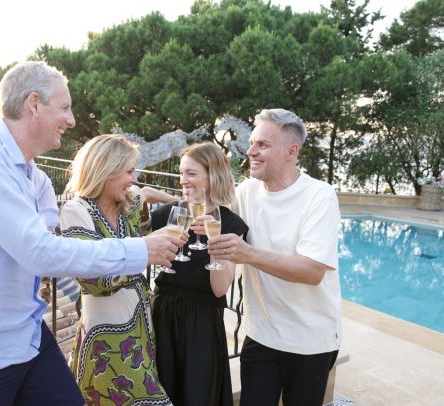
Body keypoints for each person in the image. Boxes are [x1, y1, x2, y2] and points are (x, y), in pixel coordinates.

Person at [0, 61, 182, 406]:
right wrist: (141, 249)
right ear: (34, 104)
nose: (72, 120)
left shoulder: (36, 179)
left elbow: (50, 243)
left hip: (25, 338)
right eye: (65, 108)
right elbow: (39, 251)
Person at [207, 108, 342, 406]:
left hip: (310, 342)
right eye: (252, 143)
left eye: (263, 145)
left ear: (292, 151)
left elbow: (312, 271)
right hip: (261, 335)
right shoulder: (246, 191)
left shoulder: (319, 196)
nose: (251, 152)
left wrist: (247, 253)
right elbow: (210, 209)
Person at [60, 134, 177, 405]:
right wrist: (146, 249)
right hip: (106, 344)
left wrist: (178, 202)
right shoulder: (76, 211)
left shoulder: (126, 203)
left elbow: (145, 192)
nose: (133, 179)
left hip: (140, 335)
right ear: (106, 170)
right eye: (128, 171)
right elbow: (93, 280)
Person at [150, 142, 249, 406]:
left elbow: (220, 289)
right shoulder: (165, 215)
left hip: (202, 324)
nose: (183, 180)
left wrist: (215, 242)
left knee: (198, 395)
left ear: (213, 175)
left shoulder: (231, 225)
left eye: (191, 173)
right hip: (162, 317)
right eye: (181, 173)